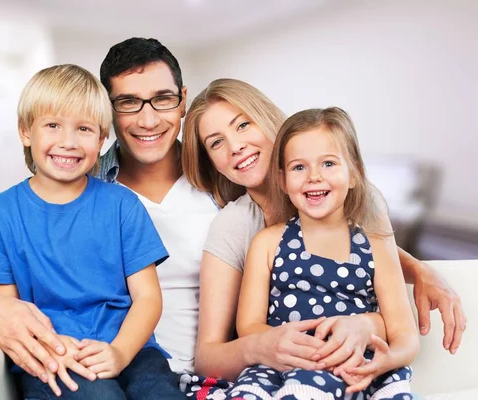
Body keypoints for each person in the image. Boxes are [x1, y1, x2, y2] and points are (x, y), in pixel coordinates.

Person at [0, 39, 465, 393]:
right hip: (115, 364)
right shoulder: (83, 185)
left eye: (162, 100)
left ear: (181, 103)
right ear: (107, 116)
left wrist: (413, 267)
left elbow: (317, 229)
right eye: (128, 104)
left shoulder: (223, 184)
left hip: (196, 375)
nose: (147, 118)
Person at [180, 78, 465, 396]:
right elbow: (208, 356)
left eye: (243, 124)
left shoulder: (360, 201)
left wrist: (417, 272)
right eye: (216, 142)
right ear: (211, 162)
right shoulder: (236, 227)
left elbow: (380, 281)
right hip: (280, 369)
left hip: (352, 364)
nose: (235, 146)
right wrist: (262, 346)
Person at [0, 64, 185, 399]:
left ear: (101, 139)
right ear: (25, 131)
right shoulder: (1, 214)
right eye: (52, 125)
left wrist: (121, 352)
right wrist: (55, 349)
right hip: (53, 356)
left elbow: (148, 298)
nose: (68, 142)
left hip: (132, 351)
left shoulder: (122, 205)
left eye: (83, 128)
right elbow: (9, 312)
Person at [224, 107, 418, 399]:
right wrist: (289, 346)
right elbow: (248, 326)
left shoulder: (376, 245)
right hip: (283, 365)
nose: (314, 177)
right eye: (299, 167)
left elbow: (404, 333)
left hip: (353, 366)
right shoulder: (267, 243)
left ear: (354, 174)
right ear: (282, 180)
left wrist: (385, 361)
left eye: (328, 163)